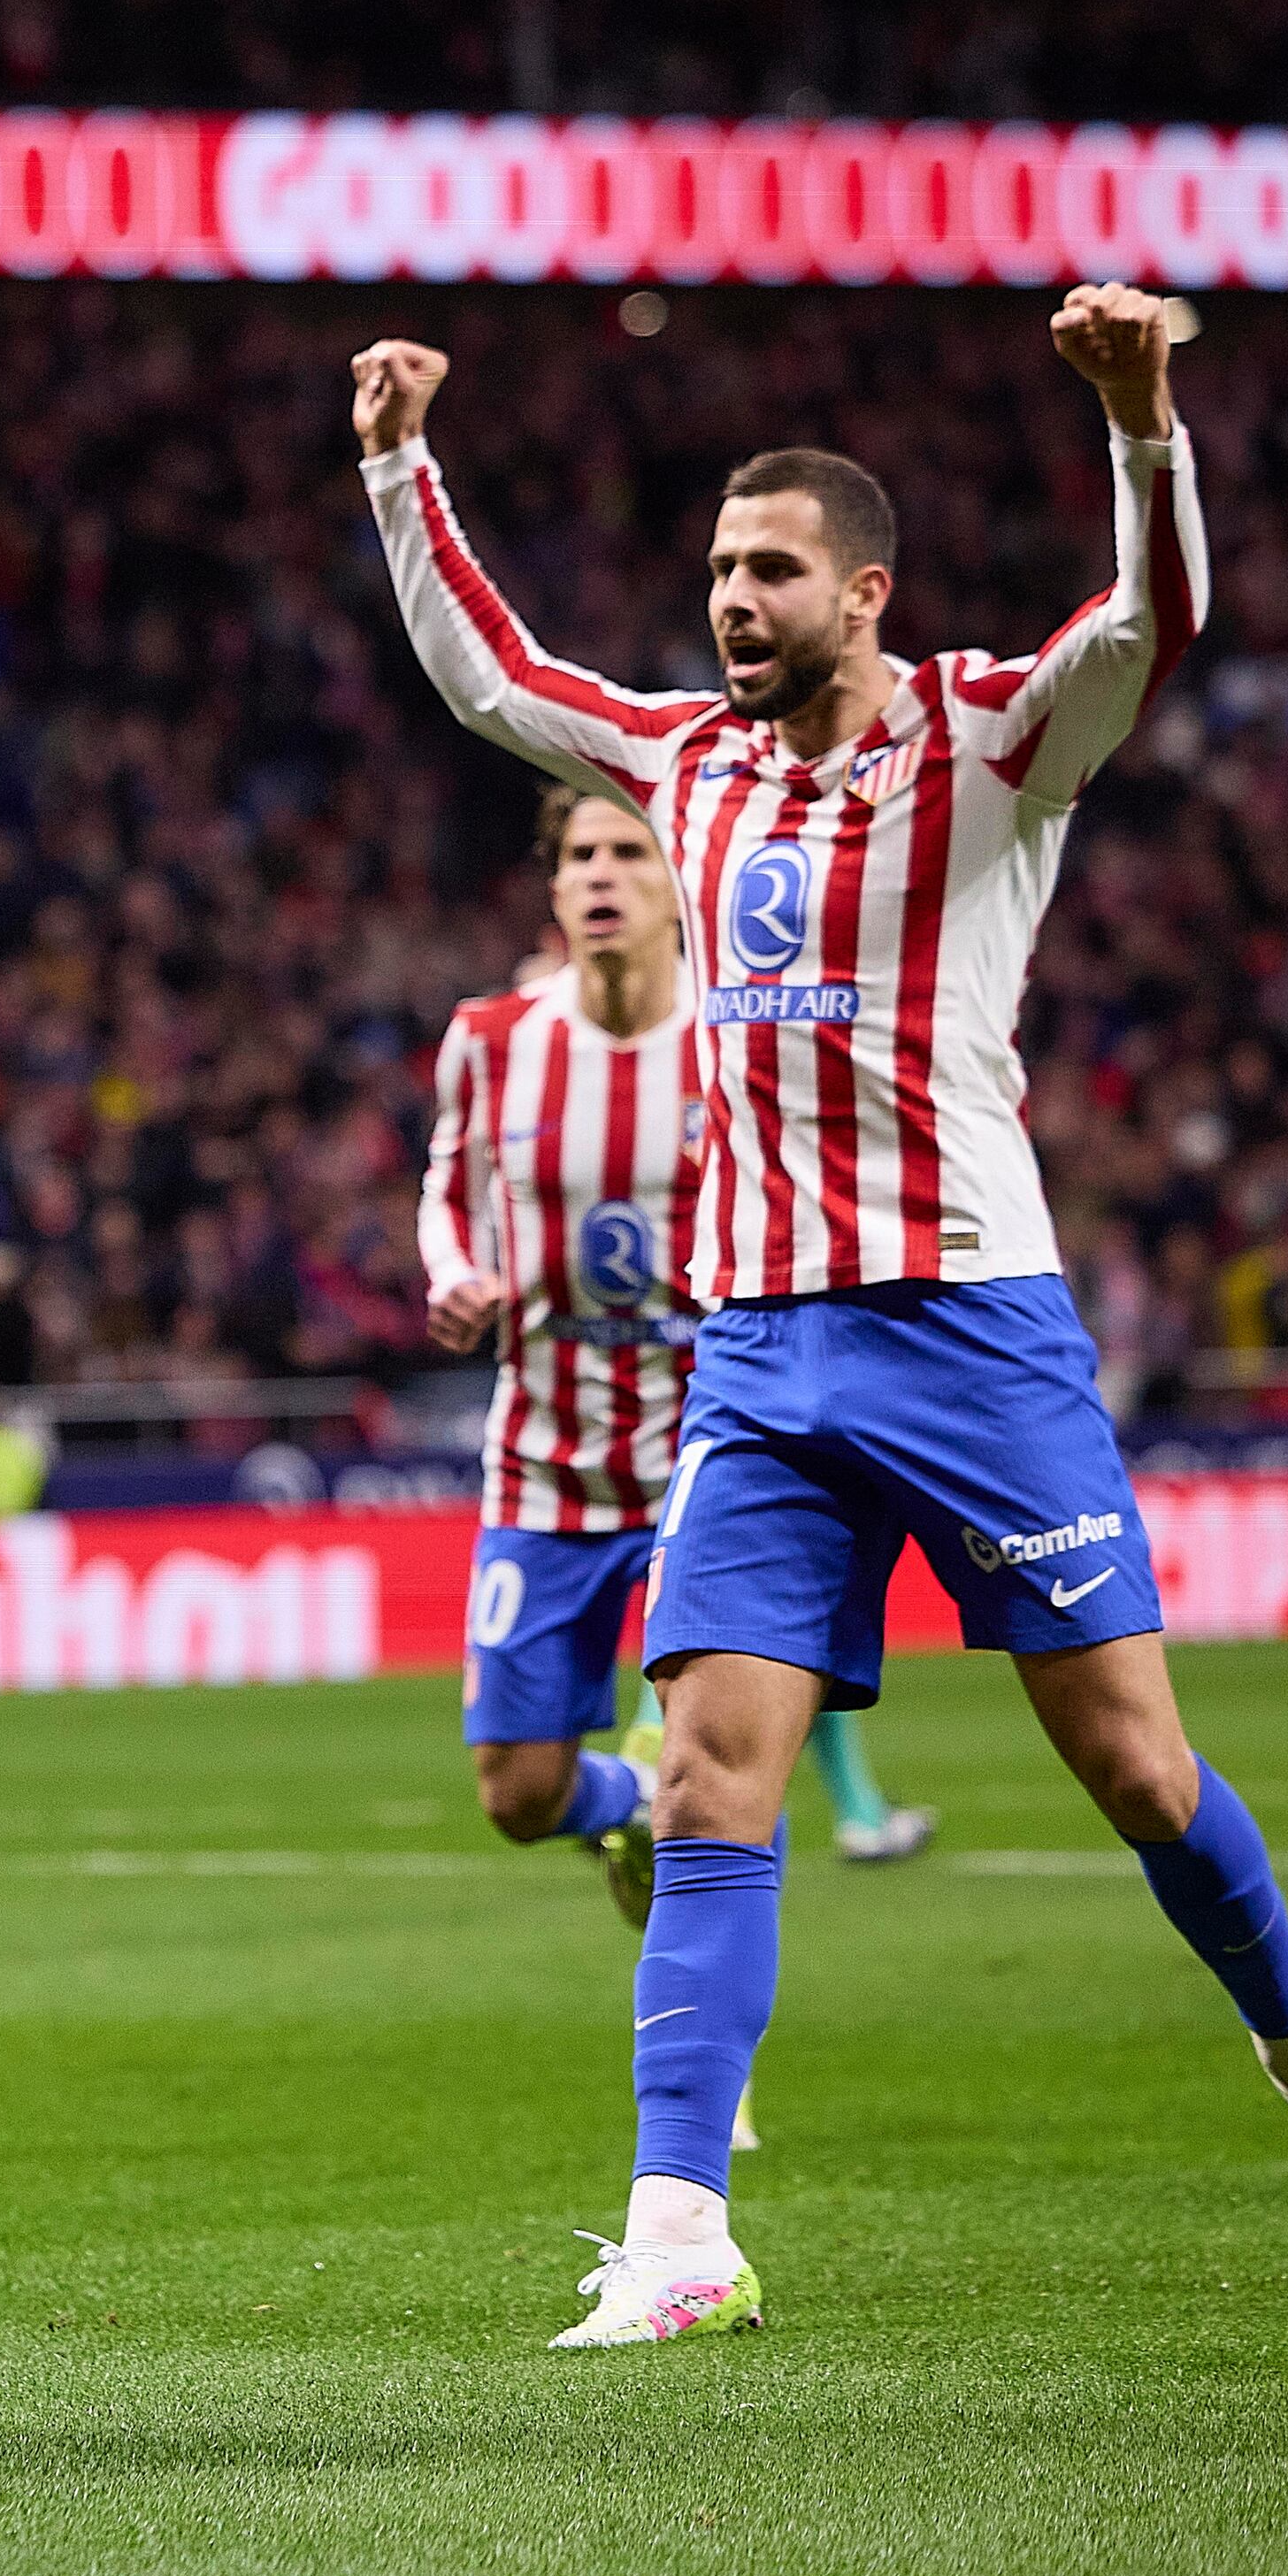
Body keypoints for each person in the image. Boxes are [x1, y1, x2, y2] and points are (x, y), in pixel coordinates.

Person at [354, 288, 1288, 2355]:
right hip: (761, 1351)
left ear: (863, 589)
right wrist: (400, 465)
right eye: (716, 569)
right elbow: (490, 674)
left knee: (1131, 1763)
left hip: (968, 1327)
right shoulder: (679, 757)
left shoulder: (992, 738)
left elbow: (1153, 628)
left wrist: (1140, 422)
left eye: (767, 569)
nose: (729, 600)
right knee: (707, 1778)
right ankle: (681, 2227)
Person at [423, 786, 932, 1920]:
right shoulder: (491, 1040)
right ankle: (631, 1800)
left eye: (627, 852)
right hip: (546, 1462)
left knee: (718, 1770)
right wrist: (452, 1272)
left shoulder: (734, 1036)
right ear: (554, 887)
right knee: (517, 1791)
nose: (600, 873)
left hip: (711, 1454)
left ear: (676, 886)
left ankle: (717, 2025)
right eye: (578, 856)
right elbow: (447, 1189)